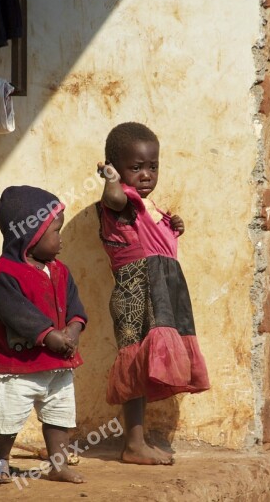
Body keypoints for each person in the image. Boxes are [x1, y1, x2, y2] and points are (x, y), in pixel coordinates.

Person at [96, 122, 210, 465]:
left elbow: (158, 241)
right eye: (136, 167)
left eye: (153, 166)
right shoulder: (120, 199)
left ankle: (139, 441)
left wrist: (174, 226)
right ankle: (133, 444)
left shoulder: (151, 206)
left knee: (146, 364)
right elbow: (113, 198)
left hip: (163, 290)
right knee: (135, 363)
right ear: (116, 167)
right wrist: (111, 178)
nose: (146, 174)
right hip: (137, 290)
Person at [0, 185, 86, 484]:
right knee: (8, 416)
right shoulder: (5, 274)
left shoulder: (60, 271)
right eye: (55, 231)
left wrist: (74, 329)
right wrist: (50, 335)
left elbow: (75, 305)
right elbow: (16, 314)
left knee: (59, 416)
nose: (61, 240)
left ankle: (58, 464)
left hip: (57, 365)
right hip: (19, 368)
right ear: (29, 235)